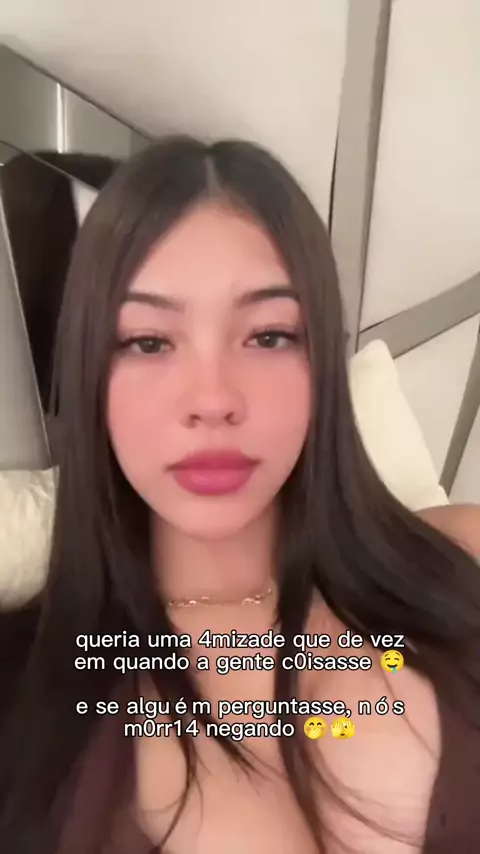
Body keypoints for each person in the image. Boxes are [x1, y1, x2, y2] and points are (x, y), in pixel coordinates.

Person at [0, 136, 479, 854]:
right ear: (91, 374)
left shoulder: (465, 557)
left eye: (268, 336)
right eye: (149, 341)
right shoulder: (22, 693)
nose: (213, 399)